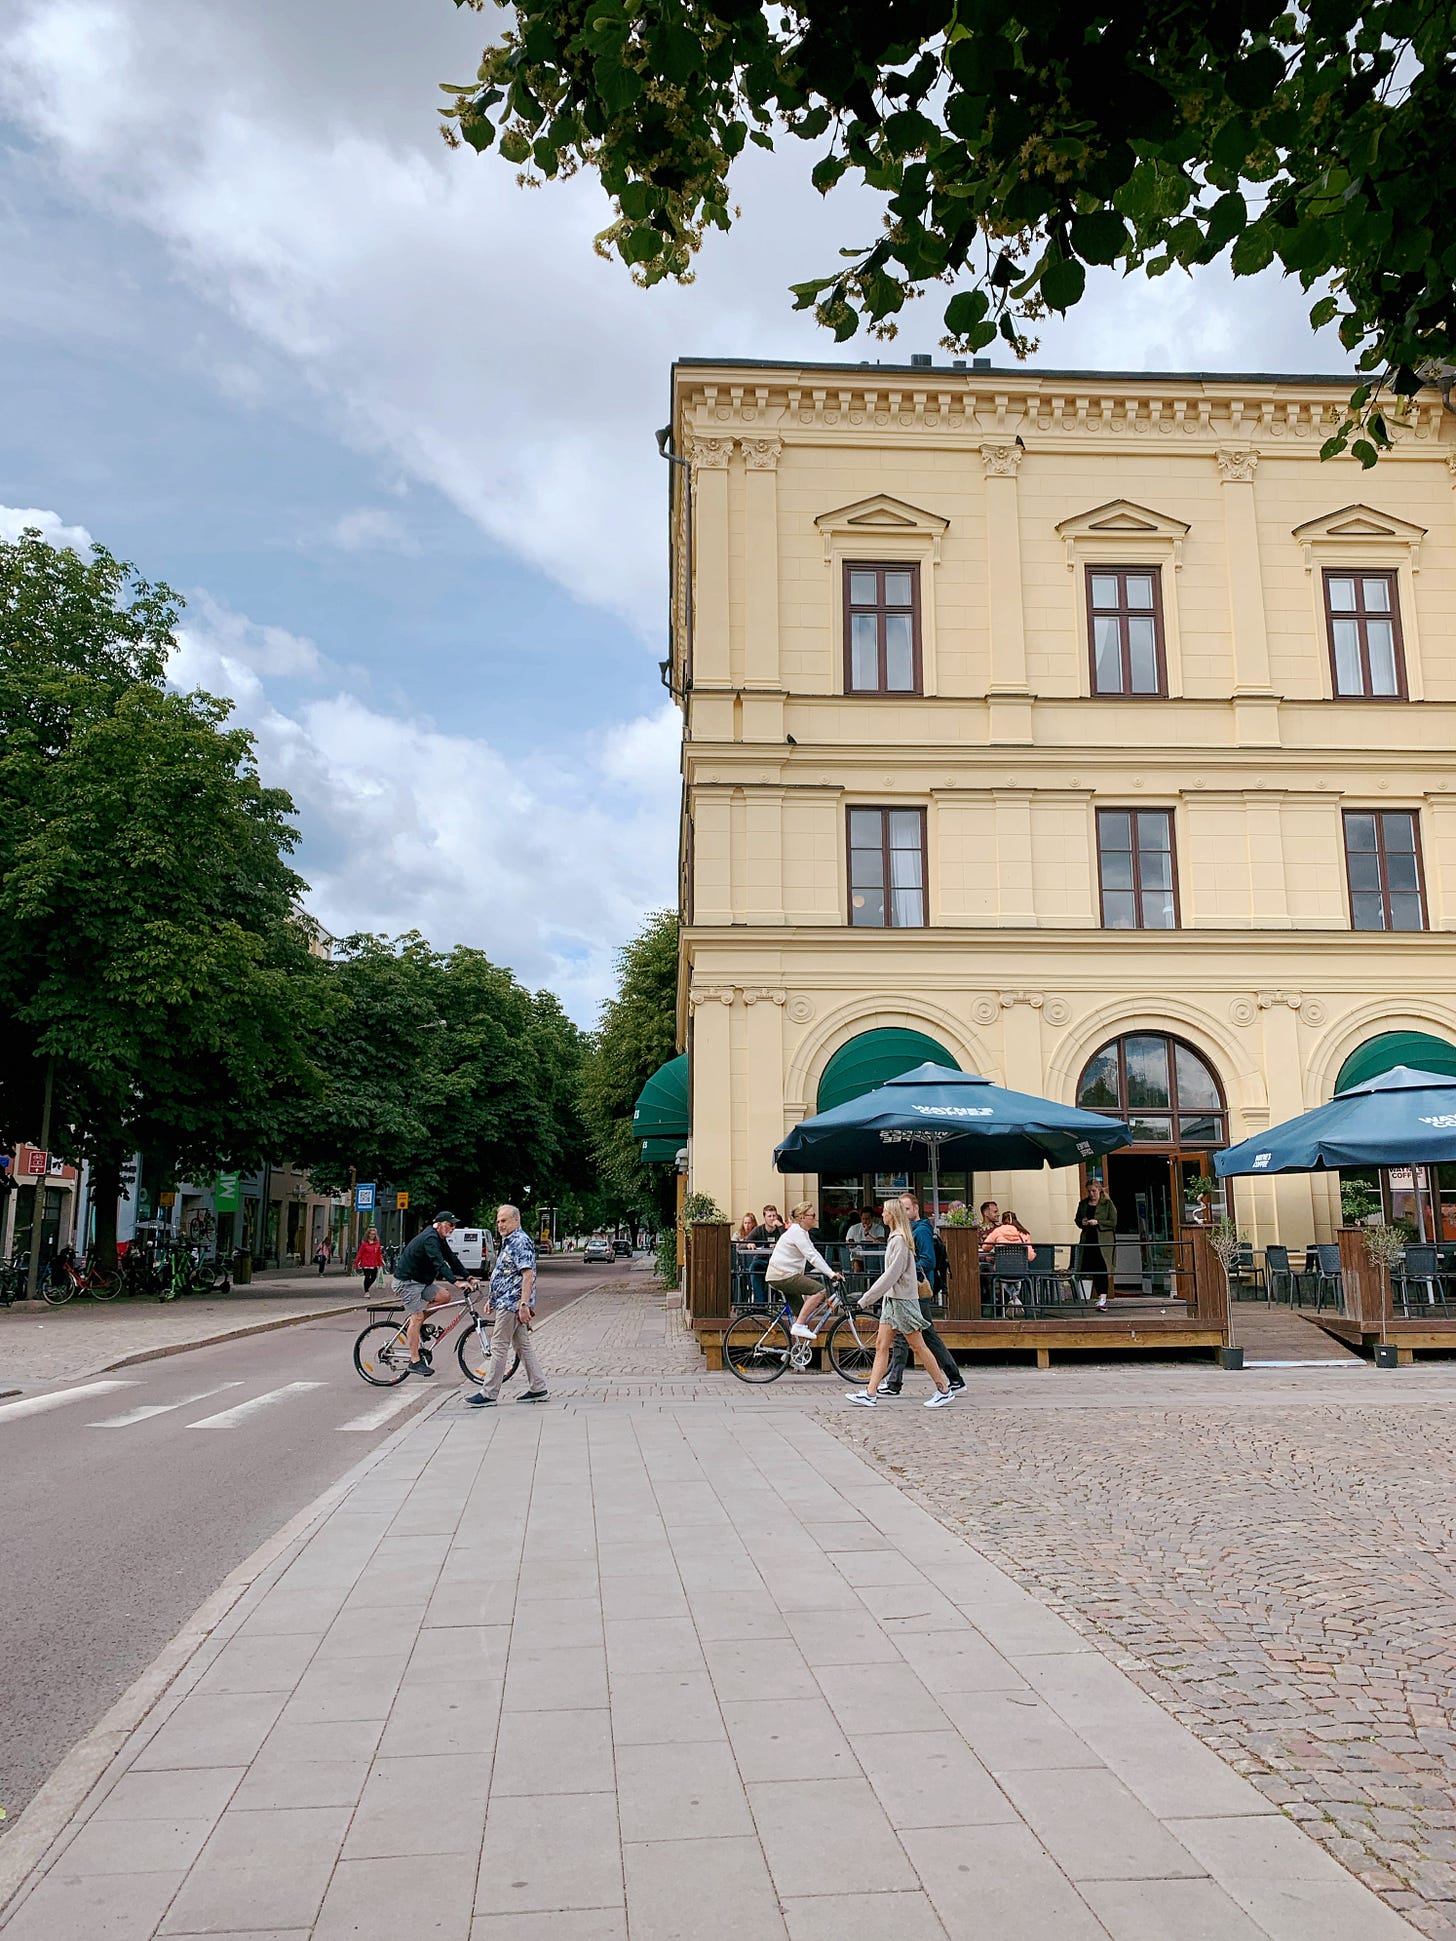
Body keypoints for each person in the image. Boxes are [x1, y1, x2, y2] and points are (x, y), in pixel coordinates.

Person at [844, 1202, 954, 1409]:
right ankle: (870, 1393)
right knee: (881, 1345)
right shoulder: (897, 1238)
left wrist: (866, 1299)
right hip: (893, 1301)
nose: (882, 1215)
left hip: (902, 1301)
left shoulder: (899, 1241)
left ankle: (943, 1390)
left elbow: (891, 1276)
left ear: (892, 1215)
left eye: (885, 1212)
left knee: (918, 1345)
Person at [880, 1192, 965, 1398]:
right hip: (912, 1289)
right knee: (915, 1334)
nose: (903, 1212)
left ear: (916, 1209)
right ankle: (952, 1378)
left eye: (907, 1209)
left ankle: (897, 1383)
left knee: (916, 1334)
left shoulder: (921, 1231)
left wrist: (907, 1268)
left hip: (918, 1289)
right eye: (901, 1209)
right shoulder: (908, 1231)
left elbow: (929, 1260)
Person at [468, 1203, 548, 1406]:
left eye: (504, 1220)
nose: (500, 1225)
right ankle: (538, 1387)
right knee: (522, 1345)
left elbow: (528, 1275)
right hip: (506, 1301)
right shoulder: (509, 1241)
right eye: (498, 1221)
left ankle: (489, 1393)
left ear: (516, 1220)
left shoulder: (520, 1241)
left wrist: (524, 1305)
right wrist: (492, 1299)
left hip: (512, 1303)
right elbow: (505, 1274)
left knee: (499, 1345)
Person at [391, 1210, 476, 1377]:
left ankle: (413, 1325)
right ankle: (415, 1361)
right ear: (439, 1224)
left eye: (454, 1225)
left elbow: (451, 1259)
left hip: (421, 1282)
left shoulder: (439, 1238)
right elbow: (439, 1263)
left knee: (444, 1296)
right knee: (417, 1317)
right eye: (450, 1224)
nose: (453, 1228)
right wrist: (456, 1282)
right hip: (407, 1283)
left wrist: (468, 1277)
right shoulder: (430, 1238)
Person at [766, 1202, 843, 1338]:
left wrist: (829, 1272)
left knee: (801, 1313)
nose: (815, 1218)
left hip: (782, 1275)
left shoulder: (802, 1232)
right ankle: (799, 1326)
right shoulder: (797, 1232)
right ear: (802, 1217)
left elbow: (813, 1253)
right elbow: (812, 1256)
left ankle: (795, 1347)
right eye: (812, 1215)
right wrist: (831, 1274)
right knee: (819, 1290)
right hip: (783, 1275)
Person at [1074, 1178, 1117, 1311]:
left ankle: (1102, 1298)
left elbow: (1113, 1222)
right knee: (1085, 1267)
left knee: (1101, 1268)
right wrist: (1082, 1222)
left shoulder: (1107, 1203)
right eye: (1089, 1191)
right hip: (1088, 1239)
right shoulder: (1083, 1204)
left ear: (1099, 1190)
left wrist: (1098, 1222)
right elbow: (1077, 1219)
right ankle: (1084, 1297)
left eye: (1094, 1191)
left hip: (1103, 1242)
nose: (1091, 1194)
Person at [355, 1226, 384, 1295]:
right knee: (367, 1276)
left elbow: (378, 1254)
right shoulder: (364, 1244)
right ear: (368, 1234)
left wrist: (380, 1263)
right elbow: (360, 1254)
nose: (372, 1235)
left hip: (373, 1263)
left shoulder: (377, 1244)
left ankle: (367, 1287)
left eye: (374, 1234)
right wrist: (356, 1263)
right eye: (371, 1234)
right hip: (365, 1263)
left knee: (374, 1277)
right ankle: (366, 1291)